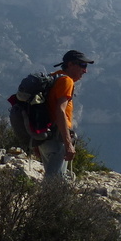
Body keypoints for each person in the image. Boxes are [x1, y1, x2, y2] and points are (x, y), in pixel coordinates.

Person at [38, 50, 94, 179]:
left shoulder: (53, 77)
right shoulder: (66, 81)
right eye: (83, 65)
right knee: (55, 182)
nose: (85, 71)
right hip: (57, 139)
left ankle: (49, 199)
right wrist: (68, 144)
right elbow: (60, 110)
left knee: (54, 179)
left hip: (44, 139)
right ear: (70, 64)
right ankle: (48, 199)